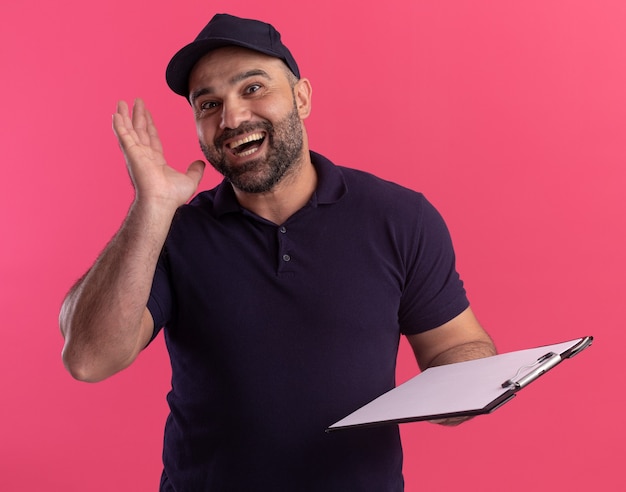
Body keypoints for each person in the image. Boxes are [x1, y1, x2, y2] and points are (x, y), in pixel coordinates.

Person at [59, 13, 496, 492]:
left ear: (301, 97)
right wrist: (151, 208)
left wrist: (466, 386)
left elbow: (456, 346)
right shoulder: (170, 234)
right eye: (208, 104)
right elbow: (89, 359)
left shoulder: (399, 217)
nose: (232, 117)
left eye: (252, 88)